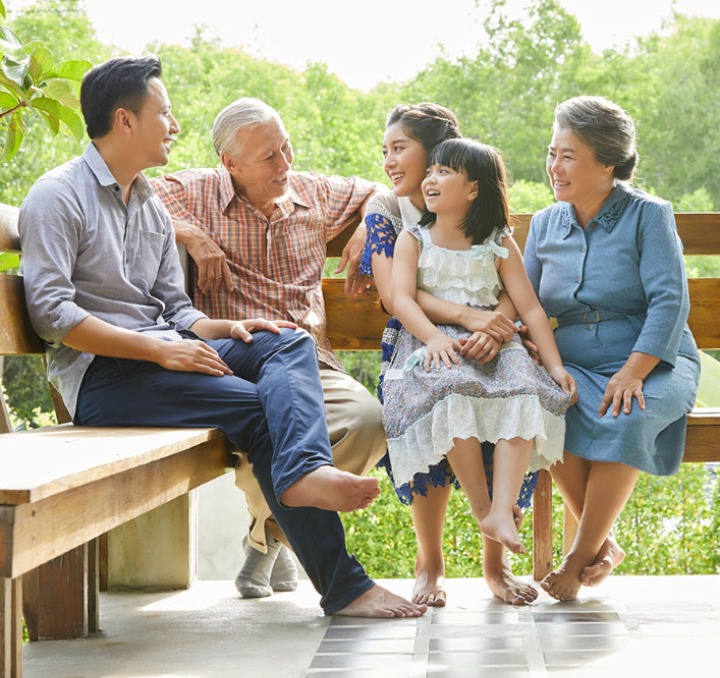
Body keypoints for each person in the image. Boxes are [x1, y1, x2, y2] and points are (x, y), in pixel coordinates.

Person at [18, 55, 426, 619]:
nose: (176, 126)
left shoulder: (149, 206)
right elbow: (50, 315)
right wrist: (160, 347)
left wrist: (226, 329)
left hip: (166, 354)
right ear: (125, 120)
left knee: (287, 340)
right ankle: (344, 585)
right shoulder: (58, 195)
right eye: (165, 113)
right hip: (105, 377)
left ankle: (305, 473)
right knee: (262, 410)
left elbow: (176, 310)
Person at [150, 98, 387, 599]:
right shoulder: (191, 192)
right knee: (270, 422)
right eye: (269, 157)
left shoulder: (313, 193)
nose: (286, 165)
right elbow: (131, 193)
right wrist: (187, 230)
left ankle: (267, 537)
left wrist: (368, 224)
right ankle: (277, 540)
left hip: (307, 360)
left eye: (286, 148)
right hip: (231, 365)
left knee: (368, 420)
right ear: (230, 163)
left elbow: (379, 190)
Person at [361, 105, 568, 607]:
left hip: (495, 341)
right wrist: (458, 325)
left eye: (401, 149)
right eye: (385, 150)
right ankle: (431, 563)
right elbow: (400, 297)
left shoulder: (491, 232)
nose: (391, 161)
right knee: (444, 393)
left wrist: (498, 331)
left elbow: (517, 297)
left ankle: (495, 563)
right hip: (427, 341)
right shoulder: (395, 217)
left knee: (513, 389)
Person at [524, 95, 701, 601]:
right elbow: (528, 303)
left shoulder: (648, 214)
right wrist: (529, 349)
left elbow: (670, 301)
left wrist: (633, 372)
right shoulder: (544, 223)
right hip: (572, 359)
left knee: (628, 413)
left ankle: (581, 555)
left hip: (653, 355)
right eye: (552, 152)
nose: (554, 166)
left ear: (607, 163)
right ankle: (603, 545)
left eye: (568, 156)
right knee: (547, 408)